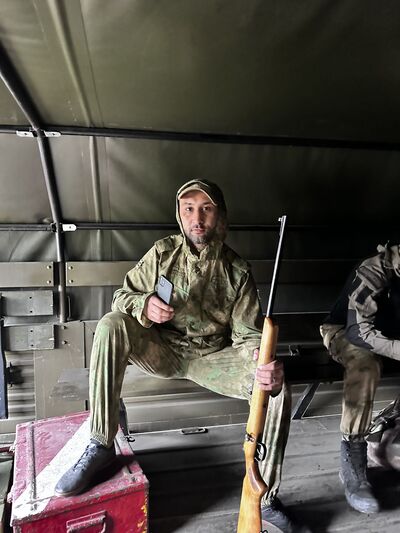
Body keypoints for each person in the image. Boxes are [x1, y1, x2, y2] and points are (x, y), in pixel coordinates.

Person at [55, 179, 306, 532]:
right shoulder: (162, 254)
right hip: (162, 350)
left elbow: (248, 336)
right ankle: (101, 442)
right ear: (179, 214)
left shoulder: (237, 272)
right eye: (189, 209)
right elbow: (121, 297)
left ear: (220, 216)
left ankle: (264, 496)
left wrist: (261, 362)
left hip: (211, 360)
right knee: (111, 323)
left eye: (206, 209)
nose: (197, 218)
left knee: (275, 390)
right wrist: (145, 305)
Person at [320, 243, 400, 514]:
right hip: (346, 331)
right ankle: (353, 455)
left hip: (392, 335)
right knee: (365, 365)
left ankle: (393, 418)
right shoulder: (374, 270)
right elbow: (359, 333)